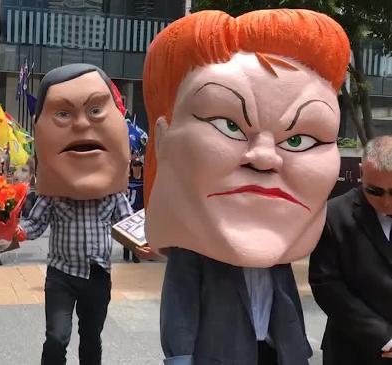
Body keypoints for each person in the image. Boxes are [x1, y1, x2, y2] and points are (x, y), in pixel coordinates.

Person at [142, 9, 350, 365]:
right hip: (220, 353)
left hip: (276, 349)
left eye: (299, 139)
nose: (264, 158)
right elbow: (180, 301)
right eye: (228, 124)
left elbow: (286, 295)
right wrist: (180, 357)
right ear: (164, 140)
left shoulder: (277, 238)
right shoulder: (194, 248)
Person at [0, 64, 132, 365]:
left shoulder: (114, 195)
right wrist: (7, 232)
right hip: (61, 275)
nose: (80, 125)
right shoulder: (53, 194)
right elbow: (34, 225)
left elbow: (128, 225)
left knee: (91, 340)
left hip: (97, 274)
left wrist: (155, 239)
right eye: (62, 114)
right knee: (56, 338)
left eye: (95, 111)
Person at [310, 136, 392, 365]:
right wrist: (383, 337)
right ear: (360, 171)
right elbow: (326, 283)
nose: (386, 202)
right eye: (374, 191)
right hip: (352, 351)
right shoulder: (334, 215)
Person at [123, 158, 143, 263]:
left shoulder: (144, 178)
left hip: (140, 209)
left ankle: (136, 255)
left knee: (137, 234)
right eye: (135, 165)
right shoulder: (128, 179)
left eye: (139, 165)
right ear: (132, 167)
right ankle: (126, 252)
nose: (137, 167)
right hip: (129, 208)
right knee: (127, 233)